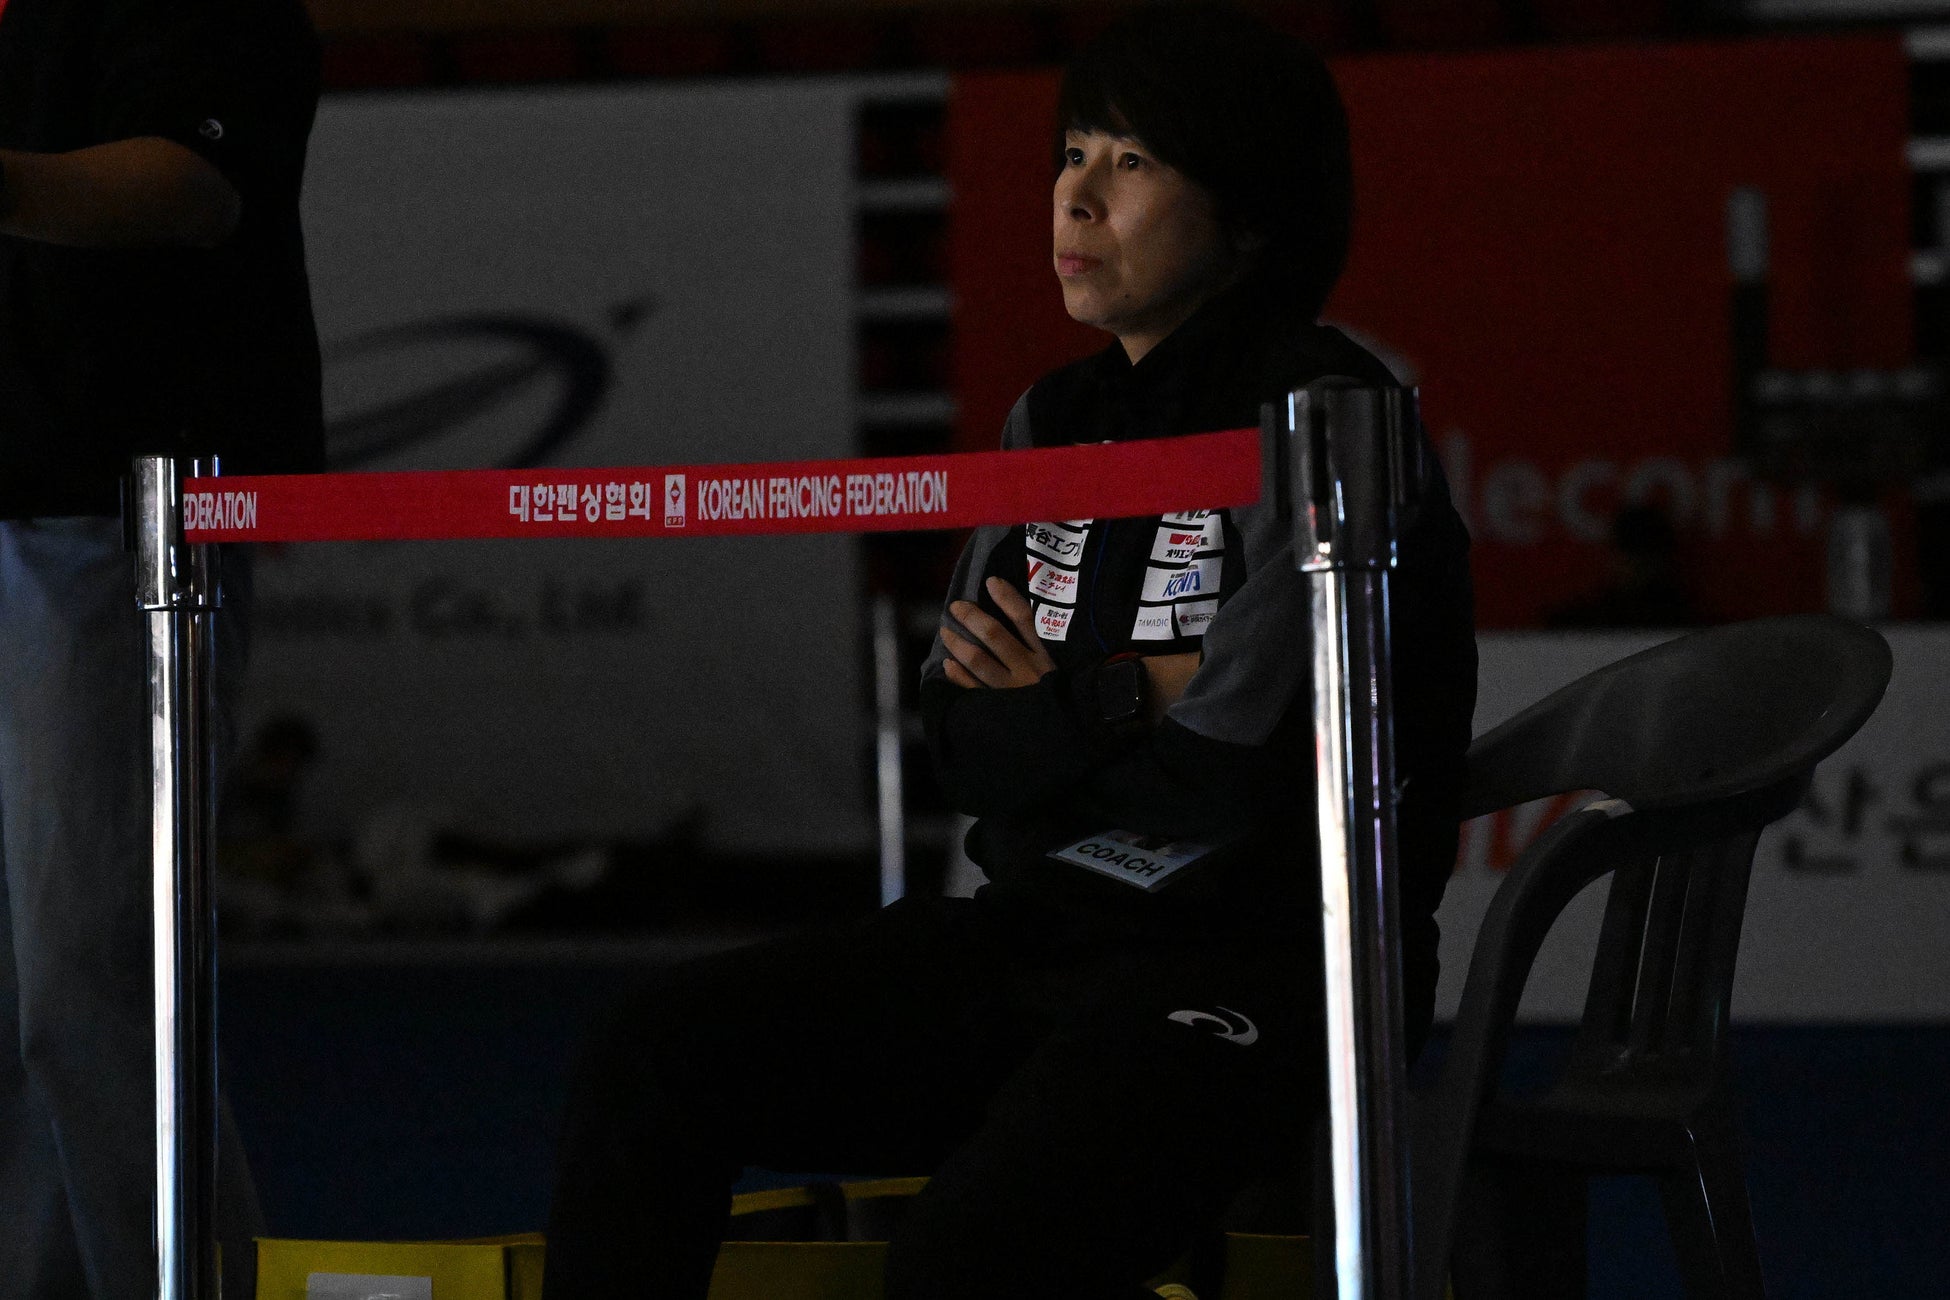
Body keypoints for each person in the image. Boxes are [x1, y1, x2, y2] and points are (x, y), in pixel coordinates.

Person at [543, 7, 1476, 1297]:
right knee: (652, 1048)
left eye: (1133, 162)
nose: (1077, 197)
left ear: (1252, 215)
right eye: (1072, 153)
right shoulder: (1055, 415)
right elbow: (964, 738)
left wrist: (1058, 708)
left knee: (967, 1259)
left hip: (1271, 971)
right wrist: (1131, 702)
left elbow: (1239, 774)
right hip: (1040, 938)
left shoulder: (1333, 418)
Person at [0, 0, 325, 1295]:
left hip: (116, 515)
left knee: (91, 986)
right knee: (29, 1000)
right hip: (37, 499)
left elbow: (194, 186)